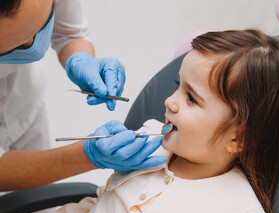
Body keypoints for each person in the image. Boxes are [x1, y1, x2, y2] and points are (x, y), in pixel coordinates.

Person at [25, 29, 279, 213]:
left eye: (191, 98)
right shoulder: (147, 150)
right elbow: (98, 208)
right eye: (178, 85)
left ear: (239, 138)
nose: (169, 101)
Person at [0, 0, 165, 192]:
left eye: (42, 25)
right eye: (18, 44)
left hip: (24, 102)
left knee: (37, 210)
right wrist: (86, 156)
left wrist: (80, 58)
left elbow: (68, 32)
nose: (34, 44)